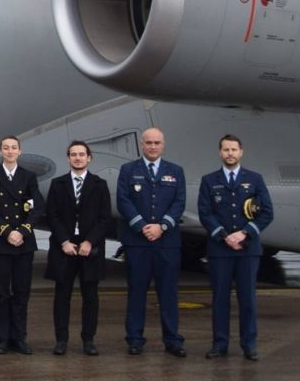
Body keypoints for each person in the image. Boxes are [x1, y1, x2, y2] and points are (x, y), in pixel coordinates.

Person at [197, 134, 274, 361]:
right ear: (220, 153)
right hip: (220, 250)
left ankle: (249, 345)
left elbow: (267, 212)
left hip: (247, 249)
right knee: (220, 299)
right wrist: (223, 236)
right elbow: (205, 213)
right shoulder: (209, 180)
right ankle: (219, 344)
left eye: (234, 149)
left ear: (241, 152)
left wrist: (244, 233)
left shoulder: (255, 179)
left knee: (247, 299)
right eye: (226, 150)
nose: (230, 153)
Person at [116, 126, 186, 357]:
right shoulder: (128, 170)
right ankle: (135, 339)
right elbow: (123, 200)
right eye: (149, 143)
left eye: (157, 143)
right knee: (137, 291)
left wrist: (162, 225)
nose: (153, 146)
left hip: (167, 242)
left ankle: (172, 340)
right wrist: (141, 226)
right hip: (138, 242)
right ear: (141, 145)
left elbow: (179, 202)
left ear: (163, 145)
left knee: (168, 292)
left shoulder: (175, 171)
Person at [44, 141, 111, 357]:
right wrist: (64, 241)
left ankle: (89, 339)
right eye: (73, 154)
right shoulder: (58, 184)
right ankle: (61, 339)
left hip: (89, 248)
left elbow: (104, 217)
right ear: (68, 158)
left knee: (90, 296)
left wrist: (89, 241)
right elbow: (51, 215)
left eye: (82, 154)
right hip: (64, 247)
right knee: (62, 295)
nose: (78, 158)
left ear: (89, 158)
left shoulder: (100, 185)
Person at [0, 135, 43, 355]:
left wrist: (23, 231)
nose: (9, 151)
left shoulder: (28, 177)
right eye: (5, 148)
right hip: (1, 243)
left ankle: (19, 337)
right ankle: (1, 338)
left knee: (21, 292)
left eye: (13, 148)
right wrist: (7, 231)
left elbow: (37, 208)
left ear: (20, 151)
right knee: (1, 292)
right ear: (0, 152)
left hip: (23, 243)